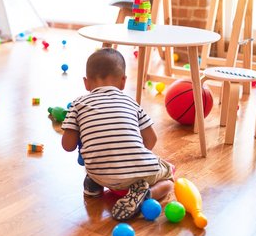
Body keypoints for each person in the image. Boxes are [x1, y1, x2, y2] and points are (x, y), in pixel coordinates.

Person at [61, 48, 174, 221]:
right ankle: (147, 194)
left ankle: (93, 184)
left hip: (99, 172)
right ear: (123, 81)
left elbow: (67, 146)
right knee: (169, 176)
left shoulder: (77, 104)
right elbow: (151, 139)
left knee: (96, 155)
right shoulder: (131, 102)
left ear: (86, 83)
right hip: (139, 172)